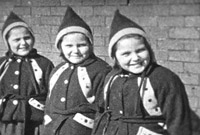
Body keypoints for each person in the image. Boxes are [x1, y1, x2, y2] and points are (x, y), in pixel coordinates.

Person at [92, 10, 192, 135]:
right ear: (115, 57)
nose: (135, 58)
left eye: (140, 50)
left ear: (149, 50)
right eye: (126, 53)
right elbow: (101, 114)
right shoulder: (111, 78)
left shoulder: (164, 78)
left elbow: (179, 123)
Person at [43, 6, 111, 135]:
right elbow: (49, 104)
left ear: (90, 45)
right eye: (69, 46)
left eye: (81, 45)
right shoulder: (58, 70)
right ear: (60, 47)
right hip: (54, 129)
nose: (75, 51)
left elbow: (104, 110)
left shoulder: (101, 70)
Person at [0, 11, 54, 135]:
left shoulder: (44, 64)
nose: (23, 43)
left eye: (27, 38)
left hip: (35, 123)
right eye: (16, 40)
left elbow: (52, 95)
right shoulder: (2, 65)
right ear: (7, 42)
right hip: (6, 123)